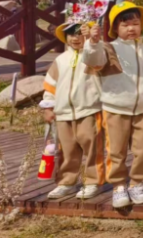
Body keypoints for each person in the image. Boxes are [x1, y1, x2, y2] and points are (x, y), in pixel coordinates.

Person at [82, 1, 143, 208]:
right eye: (125, 25)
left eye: (135, 23)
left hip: (142, 107)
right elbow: (93, 61)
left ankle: (136, 183)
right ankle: (118, 186)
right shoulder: (108, 48)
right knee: (116, 150)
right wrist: (93, 42)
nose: (131, 28)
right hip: (115, 107)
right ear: (115, 28)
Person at [41, 22, 104, 201]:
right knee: (67, 150)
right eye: (71, 34)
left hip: (89, 110)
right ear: (66, 38)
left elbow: (100, 61)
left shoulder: (92, 56)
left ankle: (93, 182)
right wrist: (48, 106)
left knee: (92, 148)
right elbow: (50, 86)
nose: (75, 38)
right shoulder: (60, 60)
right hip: (63, 113)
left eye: (79, 33)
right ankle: (66, 183)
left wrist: (93, 42)